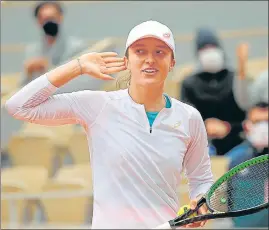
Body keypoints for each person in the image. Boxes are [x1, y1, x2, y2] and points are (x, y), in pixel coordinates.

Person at [5, 20, 214, 229]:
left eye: (160, 52)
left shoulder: (189, 117)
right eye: (140, 52)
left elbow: (202, 179)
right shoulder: (98, 105)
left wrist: (201, 204)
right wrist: (76, 66)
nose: (150, 60)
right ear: (127, 61)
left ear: (172, 63)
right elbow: (19, 106)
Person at [180, 27, 246, 156]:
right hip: (203, 144)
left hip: (236, 142)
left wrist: (228, 127)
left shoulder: (234, 79)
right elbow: (186, 118)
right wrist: (204, 127)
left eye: (212, 47)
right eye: (204, 48)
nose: (209, 52)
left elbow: (245, 113)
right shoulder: (189, 83)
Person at [21, 1, 86, 86]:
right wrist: (28, 72)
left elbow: (82, 82)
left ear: (60, 17)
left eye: (52, 18)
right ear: (38, 21)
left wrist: (48, 67)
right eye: (45, 19)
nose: (49, 23)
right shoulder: (32, 51)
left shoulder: (77, 47)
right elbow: (23, 88)